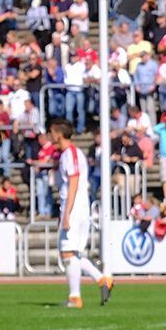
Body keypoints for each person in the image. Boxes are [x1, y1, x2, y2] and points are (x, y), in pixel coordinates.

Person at [51, 120, 112, 308]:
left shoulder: (71, 154)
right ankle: (102, 280)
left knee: (68, 252)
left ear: (59, 134)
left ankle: (75, 297)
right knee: (72, 253)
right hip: (75, 207)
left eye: (52, 132)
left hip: (75, 207)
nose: (50, 136)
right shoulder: (69, 154)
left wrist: (67, 213)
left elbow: (74, 182)